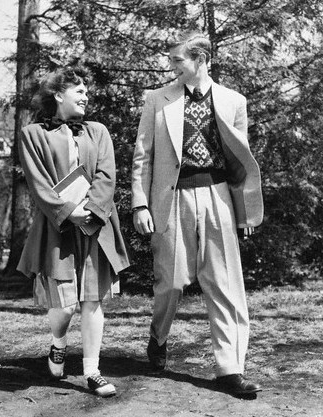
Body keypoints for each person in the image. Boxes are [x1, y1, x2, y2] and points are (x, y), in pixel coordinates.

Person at [131, 32, 264, 396]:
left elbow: (241, 162)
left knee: (224, 284)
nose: (172, 66)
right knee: (170, 283)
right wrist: (140, 204)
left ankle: (230, 369)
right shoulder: (157, 100)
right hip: (171, 198)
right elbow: (143, 155)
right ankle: (158, 338)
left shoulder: (234, 101)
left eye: (178, 60)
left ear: (200, 59)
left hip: (218, 196)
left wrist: (244, 212)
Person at [17, 66, 130, 397]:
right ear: (58, 95)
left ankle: (92, 371)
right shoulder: (33, 134)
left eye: (87, 91)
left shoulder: (98, 131)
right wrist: (69, 212)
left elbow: (106, 177)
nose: (86, 96)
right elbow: (39, 184)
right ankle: (58, 343)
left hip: (95, 228)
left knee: (92, 301)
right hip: (58, 230)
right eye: (79, 91)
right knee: (65, 306)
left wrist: (90, 213)